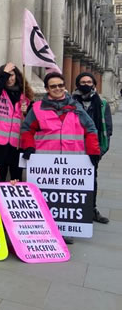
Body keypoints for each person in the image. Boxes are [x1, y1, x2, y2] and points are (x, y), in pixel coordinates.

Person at [21, 72, 100, 243]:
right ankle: (43, 228)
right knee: (44, 198)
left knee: (68, 199)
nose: (57, 89)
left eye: (60, 85)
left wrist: (93, 152)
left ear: (64, 86)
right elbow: (27, 129)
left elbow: (91, 129)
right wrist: (28, 146)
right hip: (45, 163)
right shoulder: (37, 108)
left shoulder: (77, 108)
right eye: (53, 86)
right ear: (47, 89)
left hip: (72, 162)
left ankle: (64, 229)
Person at [72, 72, 112, 224]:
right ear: (77, 84)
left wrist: (100, 152)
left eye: (89, 82)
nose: (86, 84)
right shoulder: (70, 101)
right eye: (82, 81)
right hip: (73, 149)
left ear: (94, 84)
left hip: (92, 150)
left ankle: (92, 209)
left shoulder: (102, 103)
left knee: (91, 181)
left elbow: (107, 130)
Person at [0, 63, 34, 181]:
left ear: (17, 76)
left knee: (16, 177)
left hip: (16, 144)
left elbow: (31, 122)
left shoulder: (25, 96)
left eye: (12, 75)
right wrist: (4, 73)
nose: (10, 78)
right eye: (7, 75)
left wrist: (26, 112)